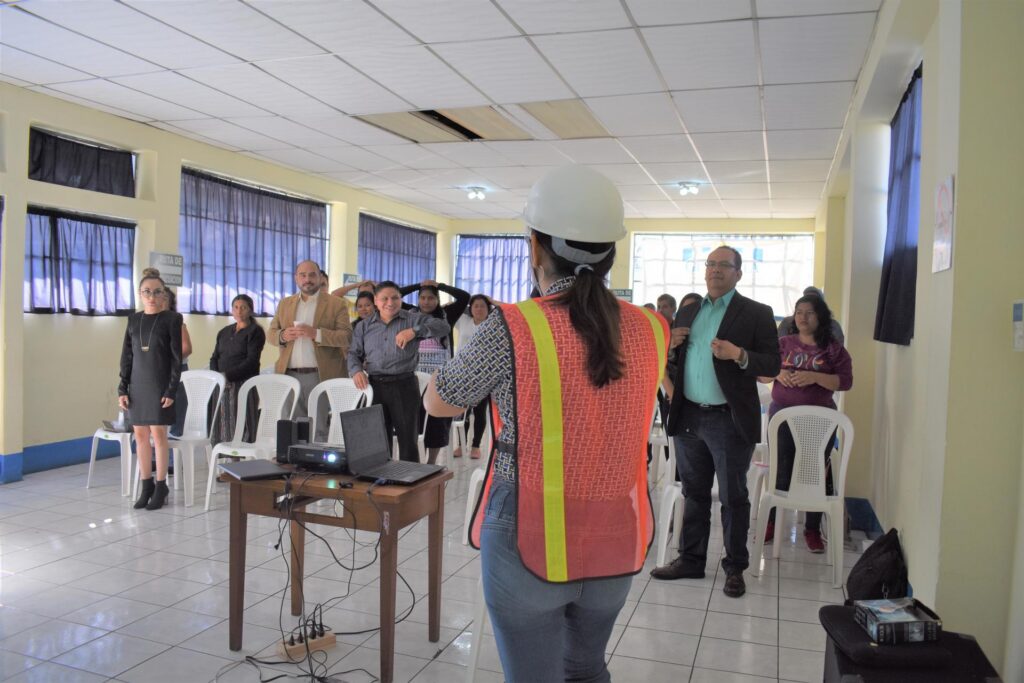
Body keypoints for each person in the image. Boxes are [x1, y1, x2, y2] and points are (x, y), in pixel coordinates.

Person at [424, 166, 668, 683]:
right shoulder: (652, 328)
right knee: (585, 669)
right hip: (615, 529)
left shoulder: (512, 325)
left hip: (526, 530)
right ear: (611, 254)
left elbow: (439, 403)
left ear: (535, 247)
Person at [650, 245, 780, 599]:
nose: (716, 270)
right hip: (690, 414)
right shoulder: (689, 310)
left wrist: (739, 355)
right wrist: (671, 344)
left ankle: (735, 566)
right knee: (694, 492)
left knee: (733, 496)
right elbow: (673, 360)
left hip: (728, 419)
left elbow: (772, 365)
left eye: (724, 265)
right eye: (711, 264)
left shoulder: (755, 313)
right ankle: (691, 559)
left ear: (739, 273)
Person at [761, 295, 853, 552]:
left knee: (815, 472)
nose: (802, 317)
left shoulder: (833, 348)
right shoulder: (782, 344)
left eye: (809, 312)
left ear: (820, 316)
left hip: (819, 420)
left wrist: (813, 376)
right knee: (782, 469)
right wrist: (778, 372)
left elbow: (845, 382)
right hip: (782, 417)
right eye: (798, 312)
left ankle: (812, 529)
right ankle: (771, 523)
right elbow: (761, 373)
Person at [348, 281, 450, 462]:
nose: (390, 302)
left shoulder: (413, 319)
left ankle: (408, 483)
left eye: (395, 297)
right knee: (378, 440)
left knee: (407, 440)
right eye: (384, 298)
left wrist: (414, 331)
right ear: (376, 302)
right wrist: (356, 371)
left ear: (401, 299)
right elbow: (353, 354)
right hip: (374, 386)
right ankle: (381, 481)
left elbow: (443, 327)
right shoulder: (363, 326)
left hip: (404, 386)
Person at [118, 270, 182, 510]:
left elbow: (176, 359)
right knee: (141, 436)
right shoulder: (133, 320)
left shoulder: (172, 320)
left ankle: (161, 483)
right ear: (140, 294)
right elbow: (127, 356)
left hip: (160, 385)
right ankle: (146, 486)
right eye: (147, 292)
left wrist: (171, 390)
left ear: (163, 294)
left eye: (157, 292)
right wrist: (122, 388)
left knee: (158, 435)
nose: (152, 297)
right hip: (137, 385)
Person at [269, 260, 353, 442]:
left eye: (312, 275)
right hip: (289, 375)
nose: (307, 279)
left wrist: (317, 334)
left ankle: (318, 469)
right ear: (296, 278)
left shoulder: (336, 304)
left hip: (320, 375)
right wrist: (283, 335)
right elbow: (271, 334)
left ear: (320, 277)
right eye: (303, 275)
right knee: (291, 428)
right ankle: (294, 469)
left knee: (318, 429)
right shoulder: (285, 304)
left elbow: (346, 336)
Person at [400, 279, 469, 464]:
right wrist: (417, 284)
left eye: (431, 298)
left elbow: (464, 297)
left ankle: (431, 462)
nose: (426, 302)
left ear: (437, 300)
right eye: (422, 297)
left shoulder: (446, 315)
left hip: (439, 380)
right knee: (415, 421)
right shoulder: (410, 314)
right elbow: (396, 294)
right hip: (414, 379)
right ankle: (414, 460)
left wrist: (441, 286)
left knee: (437, 422)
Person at [210, 294, 266, 445]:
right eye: (236, 307)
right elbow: (214, 357)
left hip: (243, 384)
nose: (239, 311)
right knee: (222, 426)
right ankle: (225, 461)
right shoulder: (224, 331)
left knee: (242, 425)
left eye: (243, 307)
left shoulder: (255, 331)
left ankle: (241, 462)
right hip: (221, 385)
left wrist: (227, 376)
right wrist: (218, 377)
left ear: (250, 311)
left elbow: (252, 361)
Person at [453, 294, 495, 458]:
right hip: (462, 373)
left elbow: (506, 311)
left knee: (479, 412)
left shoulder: (492, 324)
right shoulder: (463, 321)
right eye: (475, 306)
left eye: (483, 306)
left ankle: (476, 446)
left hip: (484, 375)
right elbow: (455, 304)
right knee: (462, 412)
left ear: (488, 308)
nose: (479, 309)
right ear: (470, 308)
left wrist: (492, 301)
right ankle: (460, 445)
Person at [164, 287, 192, 439]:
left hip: (177, 370)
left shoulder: (177, 321)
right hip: (156, 372)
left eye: (163, 298)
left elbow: (187, 348)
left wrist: (166, 359)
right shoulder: (147, 321)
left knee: (176, 415)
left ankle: (173, 460)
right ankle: (154, 459)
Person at [777, 286, 845, 345]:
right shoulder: (786, 325)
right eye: (799, 312)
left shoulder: (833, 326)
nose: (804, 317)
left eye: (810, 312)